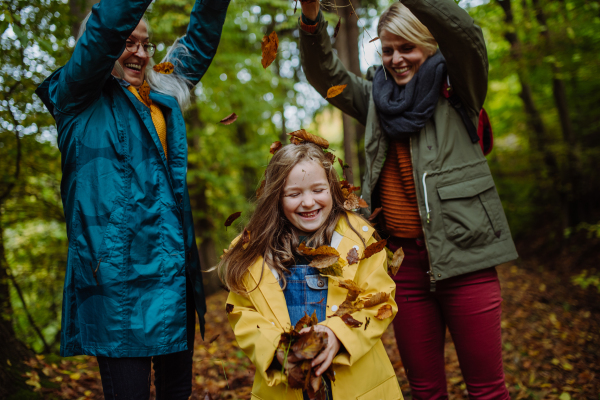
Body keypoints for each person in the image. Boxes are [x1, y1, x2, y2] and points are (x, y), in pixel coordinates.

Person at [298, 0, 519, 399]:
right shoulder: (375, 100)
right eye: (387, 49)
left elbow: (466, 36)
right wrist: (311, 18)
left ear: (429, 45)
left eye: (407, 48)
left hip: (466, 260)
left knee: (487, 391)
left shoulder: (461, 88)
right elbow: (324, 74)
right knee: (425, 391)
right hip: (404, 268)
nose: (396, 59)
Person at [34, 0, 230, 397]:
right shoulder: (77, 96)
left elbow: (199, 41)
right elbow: (106, 27)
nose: (140, 52)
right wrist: (115, 30)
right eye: (129, 42)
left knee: (178, 392)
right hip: (117, 285)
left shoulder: (159, 91)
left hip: (171, 277)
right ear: (104, 47)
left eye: (146, 44)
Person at [221, 142, 403, 399]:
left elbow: (380, 301)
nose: (308, 202)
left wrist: (338, 334)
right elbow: (242, 313)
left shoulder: (358, 240)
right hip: (285, 384)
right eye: (294, 194)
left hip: (358, 384)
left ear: (331, 189)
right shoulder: (258, 252)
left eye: (318, 190)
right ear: (276, 197)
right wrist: (277, 350)